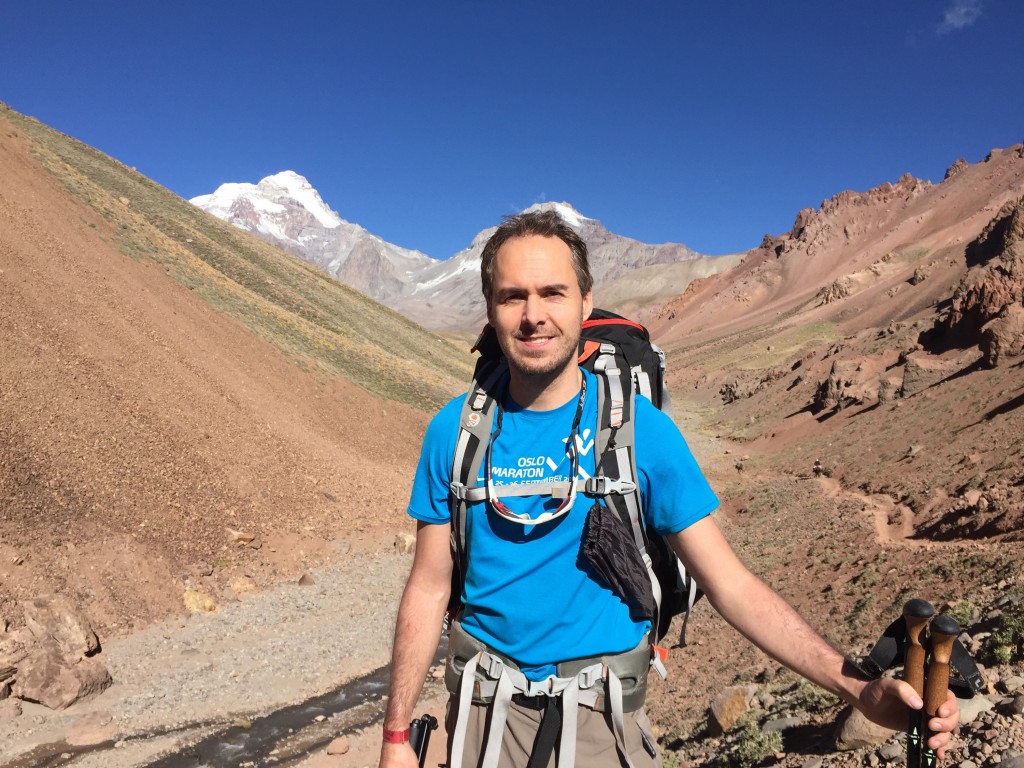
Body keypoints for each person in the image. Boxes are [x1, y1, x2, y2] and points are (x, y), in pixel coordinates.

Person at [379, 210, 959, 768]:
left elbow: (729, 584)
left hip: (601, 724)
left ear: (585, 303)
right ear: (491, 310)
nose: (534, 315)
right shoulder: (453, 433)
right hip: (481, 723)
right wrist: (397, 735)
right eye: (513, 296)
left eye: (552, 293)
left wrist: (855, 688)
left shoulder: (643, 432)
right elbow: (429, 590)